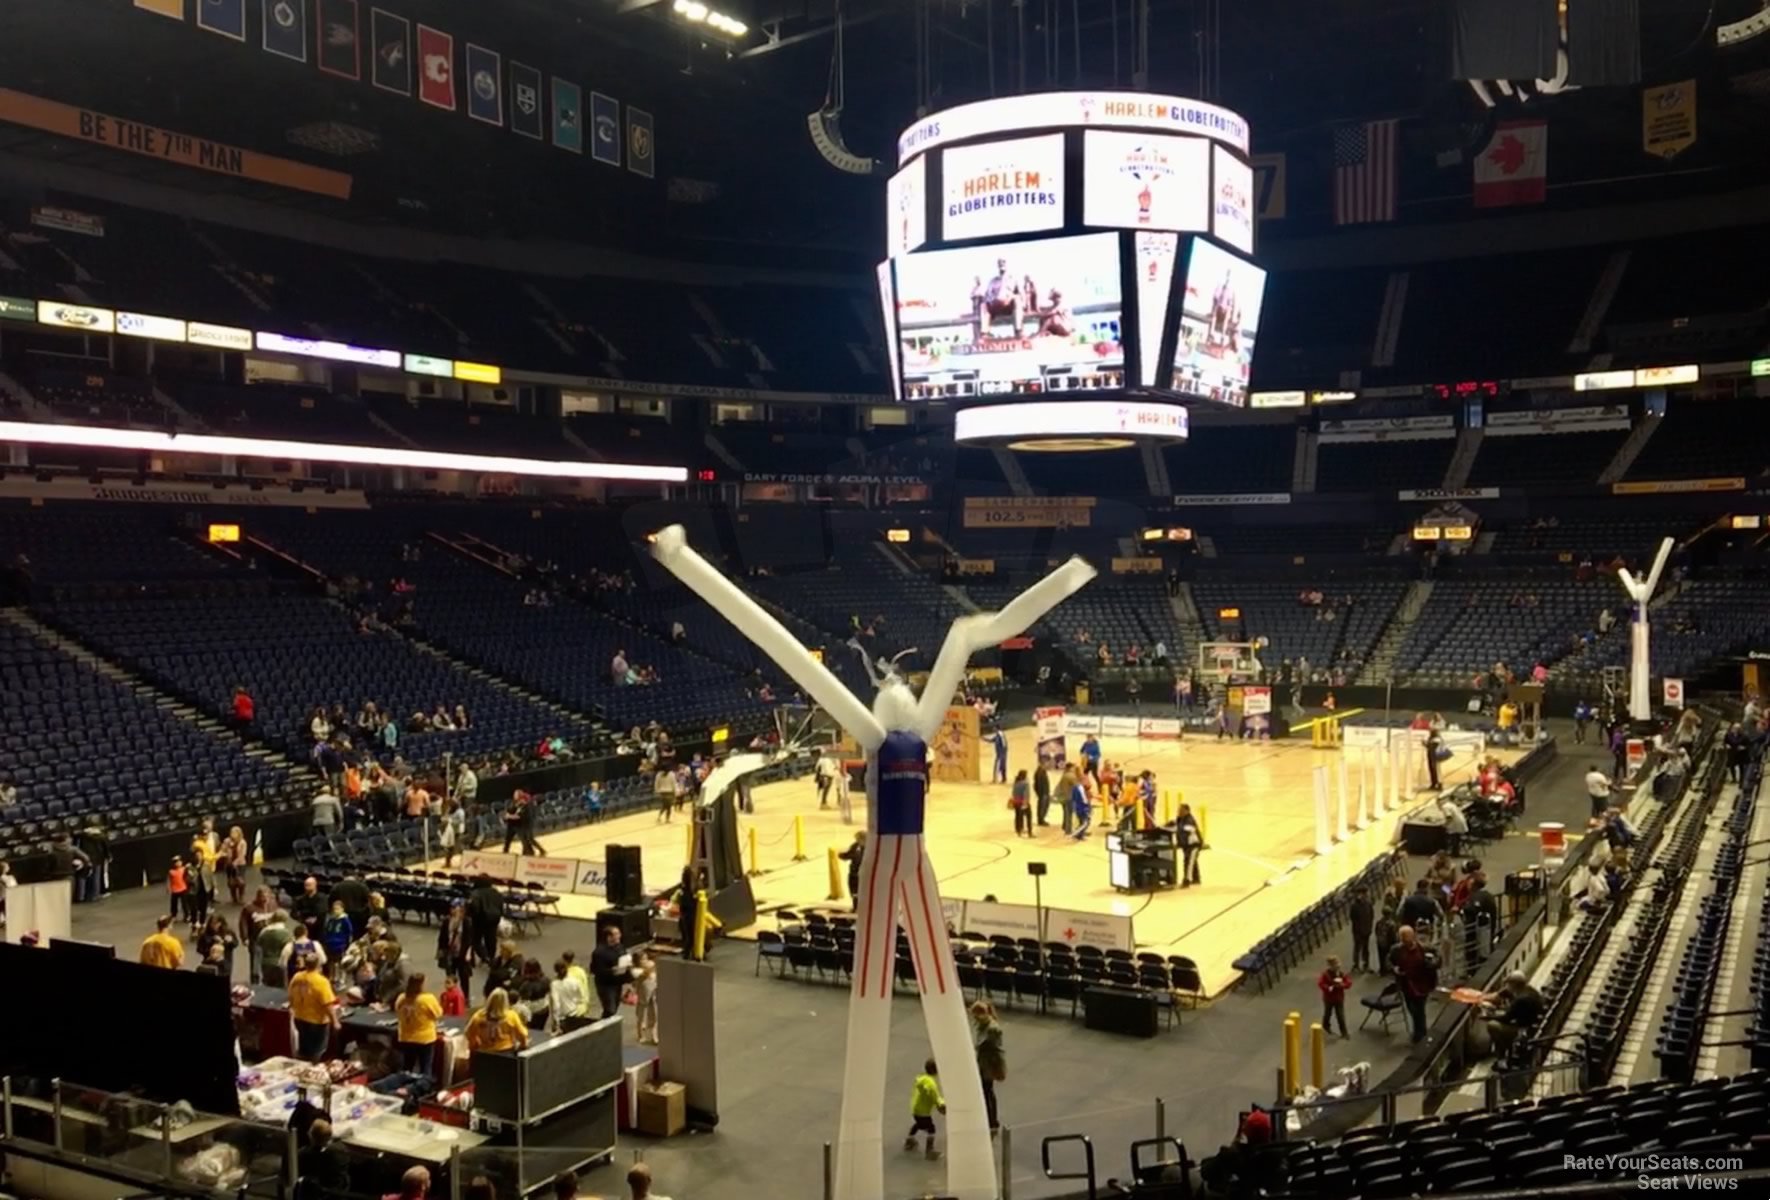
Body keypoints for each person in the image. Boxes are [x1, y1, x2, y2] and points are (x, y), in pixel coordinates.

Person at [1388, 926, 1437, 1044]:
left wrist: (1433, 963)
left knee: (1419, 1009)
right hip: (1407, 985)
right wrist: (1394, 969)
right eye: (1403, 940)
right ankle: (1419, 1032)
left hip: (1423, 983)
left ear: (1413, 936)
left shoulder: (1424, 948)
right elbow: (1389, 961)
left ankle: (1420, 1034)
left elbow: (1437, 956)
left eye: (1407, 939)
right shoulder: (1397, 950)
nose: (1405, 942)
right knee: (1412, 1008)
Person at [289, 954, 340, 1061]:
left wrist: (293, 1009)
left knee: (303, 1050)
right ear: (319, 965)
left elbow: (290, 995)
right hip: (316, 1021)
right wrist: (335, 1021)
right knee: (316, 1052)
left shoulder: (297, 977)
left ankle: (301, 1069)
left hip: (300, 1018)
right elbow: (328, 1004)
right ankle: (311, 1071)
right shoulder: (321, 982)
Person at [1481, 970, 1544, 1057]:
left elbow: (1506, 1019)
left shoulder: (1521, 1000)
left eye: (1508, 984)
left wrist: (1488, 1016)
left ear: (1513, 985)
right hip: (1531, 1021)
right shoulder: (1529, 990)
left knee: (1492, 1025)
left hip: (1523, 1029)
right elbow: (1505, 994)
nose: (1506, 986)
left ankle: (1502, 1051)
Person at [395, 974, 444, 1078]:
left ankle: (403, 1087)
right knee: (425, 1067)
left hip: (406, 1037)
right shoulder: (427, 999)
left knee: (407, 1067)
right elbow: (438, 1013)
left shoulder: (402, 997)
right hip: (424, 1038)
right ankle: (423, 1088)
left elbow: (397, 1010)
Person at [970, 1000, 1005, 1131]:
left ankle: (992, 1121)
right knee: (986, 1091)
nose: (975, 1019)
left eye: (976, 1015)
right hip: (983, 1063)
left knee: (988, 1092)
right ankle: (990, 1119)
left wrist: (997, 1069)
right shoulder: (983, 1025)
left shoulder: (992, 1029)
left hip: (989, 1065)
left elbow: (995, 1049)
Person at [905, 1057, 946, 1161]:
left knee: (918, 1124)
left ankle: (909, 1141)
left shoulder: (921, 1078)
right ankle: (929, 1151)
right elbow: (934, 1095)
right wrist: (941, 1104)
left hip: (916, 1108)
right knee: (931, 1128)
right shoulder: (931, 1083)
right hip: (923, 1112)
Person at [465, 988, 530, 1054]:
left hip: (484, 1053)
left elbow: (468, 1033)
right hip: (506, 1053)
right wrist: (523, 1045)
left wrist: (474, 1045)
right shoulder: (511, 1016)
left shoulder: (478, 1016)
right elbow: (522, 1034)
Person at [591, 925, 633, 1020]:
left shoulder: (620, 947)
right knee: (610, 1009)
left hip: (617, 982)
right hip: (605, 985)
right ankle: (604, 1026)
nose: (619, 936)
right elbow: (596, 970)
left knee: (615, 1007)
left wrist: (629, 978)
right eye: (616, 934)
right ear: (609, 937)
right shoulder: (599, 952)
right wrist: (612, 970)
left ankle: (605, 1023)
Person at [466, 875, 504, 965]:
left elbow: (474, 907)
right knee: (491, 939)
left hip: (479, 919)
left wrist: (471, 915)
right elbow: (501, 906)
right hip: (494, 919)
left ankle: (484, 956)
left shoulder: (476, 893)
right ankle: (491, 957)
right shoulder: (497, 893)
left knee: (475, 940)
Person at [550, 958, 589, 1033]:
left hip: (563, 1017)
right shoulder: (574, 981)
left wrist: (555, 1020)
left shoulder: (554, 985)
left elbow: (556, 1004)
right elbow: (581, 997)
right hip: (575, 1013)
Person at [1318, 956, 1352, 1038]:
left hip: (1339, 998)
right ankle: (1325, 1024)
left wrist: (1343, 985)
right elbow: (1321, 983)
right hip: (1329, 998)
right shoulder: (1325, 974)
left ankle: (1344, 1032)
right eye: (1335, 964)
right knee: (1328, 1013)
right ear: (1330, 965)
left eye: (1338, 963)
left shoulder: (1341, 974)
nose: (1338, 965)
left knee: (1340, 1015)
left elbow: (1348, 982)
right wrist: (1328, 988)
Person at [502, 791, 544, 857]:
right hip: (511, 825)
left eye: (517, 796)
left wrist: (509, 816)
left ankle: (531, 852)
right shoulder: (514, 803)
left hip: (521, 825)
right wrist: (506, 815)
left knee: (526, 840)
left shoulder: (526, 807)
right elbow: (508, 811)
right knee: (508, 841)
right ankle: (505, 853)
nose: (515, 797)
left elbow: (519, 816)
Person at [633, 949, 660, 1045]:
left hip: (653, 995)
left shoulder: (651, 966)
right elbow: (646, 972)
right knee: (641, 1016)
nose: (645, 961)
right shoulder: (637, 971)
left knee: (654, 1015)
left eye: (646, 958)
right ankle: (641, 1035)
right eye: (642, 959)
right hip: (643, 997)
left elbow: (652, 966)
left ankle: (654, 1036)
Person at [1173, 803, 1203, 886]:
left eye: (1181, 810)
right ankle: (1196, 878)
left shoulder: (1190, 820)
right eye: (1178, 810)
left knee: (1189, 862)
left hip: (1193, 844)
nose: (1178, 812)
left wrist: (1179, 829)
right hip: (1186, 845)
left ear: (1186, 811)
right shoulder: (1180, 819)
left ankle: (1187, 880)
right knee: (1191, 861)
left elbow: (1188, 830)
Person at [321, 901, 353, 975]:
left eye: (338, 909)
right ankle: (332, 976)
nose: (335, 911)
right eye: (334, 909)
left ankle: (340, 978)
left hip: (340, 945)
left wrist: (347, 944)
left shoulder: (345, 920)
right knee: (331, 962)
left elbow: (349, 932)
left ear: (342, 909)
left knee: (340, 963)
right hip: (330, 944)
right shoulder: (331, 920)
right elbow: (326, 930)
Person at [677, 866, 702, 961]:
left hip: (684, 918)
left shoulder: (682, 890)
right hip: (690, 918)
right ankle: (689, 957)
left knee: (688, 939)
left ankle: (687, 955)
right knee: (691, 939)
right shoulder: (692, 892)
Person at [1348, 886, 1375, 972]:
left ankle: (1366, 964)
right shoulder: (1354, 905)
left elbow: (1371, 915)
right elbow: (1352, 917)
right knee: (1357, 948)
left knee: (1366, 948)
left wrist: (1370, 927)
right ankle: (1356, 965)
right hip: (1358, 931)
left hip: (1366, 929)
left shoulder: (1368, 903)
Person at [840, 832, 866, 907]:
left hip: (855, 873)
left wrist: (840, 855)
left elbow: (849, 855)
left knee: (855, 891)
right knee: (860, 891)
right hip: (864, 873)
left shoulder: (856, 846)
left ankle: (856, 906)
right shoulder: (872, 846)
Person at [1008, 769, 1032, 838]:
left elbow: (1013, 793)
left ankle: (1018, 829)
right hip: (1022, 802)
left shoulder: (1016, 783)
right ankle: (1029, 832)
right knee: (1028, 817)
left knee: (1018, 816)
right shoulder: (1025, 783)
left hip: (1016, 802)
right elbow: (1026, 794)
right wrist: (1025, 803)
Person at [167, 855, 191, 924]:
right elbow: (169, 880)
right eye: (176, 862)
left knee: (185, 904)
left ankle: (187, 916)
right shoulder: (171, 871)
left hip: (183, 889)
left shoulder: (184, 869)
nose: (178, 863)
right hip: (175, 890)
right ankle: (174, 916)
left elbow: (189, 876)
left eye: (179, 862)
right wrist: (168, 887)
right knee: (174, 904)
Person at [1424, 727, 1445, 792]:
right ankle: (1433, 783)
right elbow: (1429, 746)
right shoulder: (1432, 738)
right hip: (1431, 756)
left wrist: (1426, 744)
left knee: (1437, 771)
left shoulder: (1437, 739)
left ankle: (1439, 785)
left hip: (1435, 757)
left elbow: (1432, 747)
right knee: (1432, 770)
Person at [1033, 761, 1052, 826]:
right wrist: (1041, 793)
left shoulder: (1042, 772)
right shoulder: (1039, 773)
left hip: (1044, 792)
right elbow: (1038, 784)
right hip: (1043, 793)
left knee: (1044, 806)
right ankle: (1041, 820)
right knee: (1042, 807)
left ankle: (1042, 819)